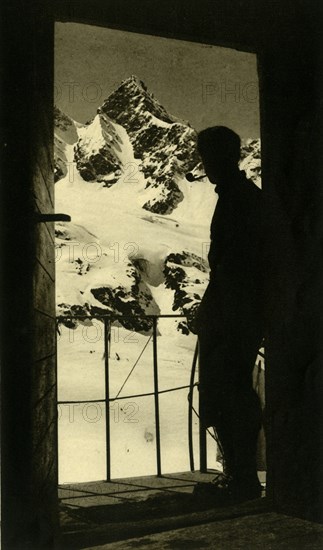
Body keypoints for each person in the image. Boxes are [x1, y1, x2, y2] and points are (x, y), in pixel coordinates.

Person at [195, 126, 264, 503]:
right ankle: (240, 476)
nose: (205, 166)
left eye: (208, 158)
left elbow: (234, 268)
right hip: (238, 314)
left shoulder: (238, 199)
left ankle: (241, 479)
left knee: (228, 393)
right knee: (232, 392)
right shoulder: (243, 196)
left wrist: (214, 310)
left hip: (232, 316)